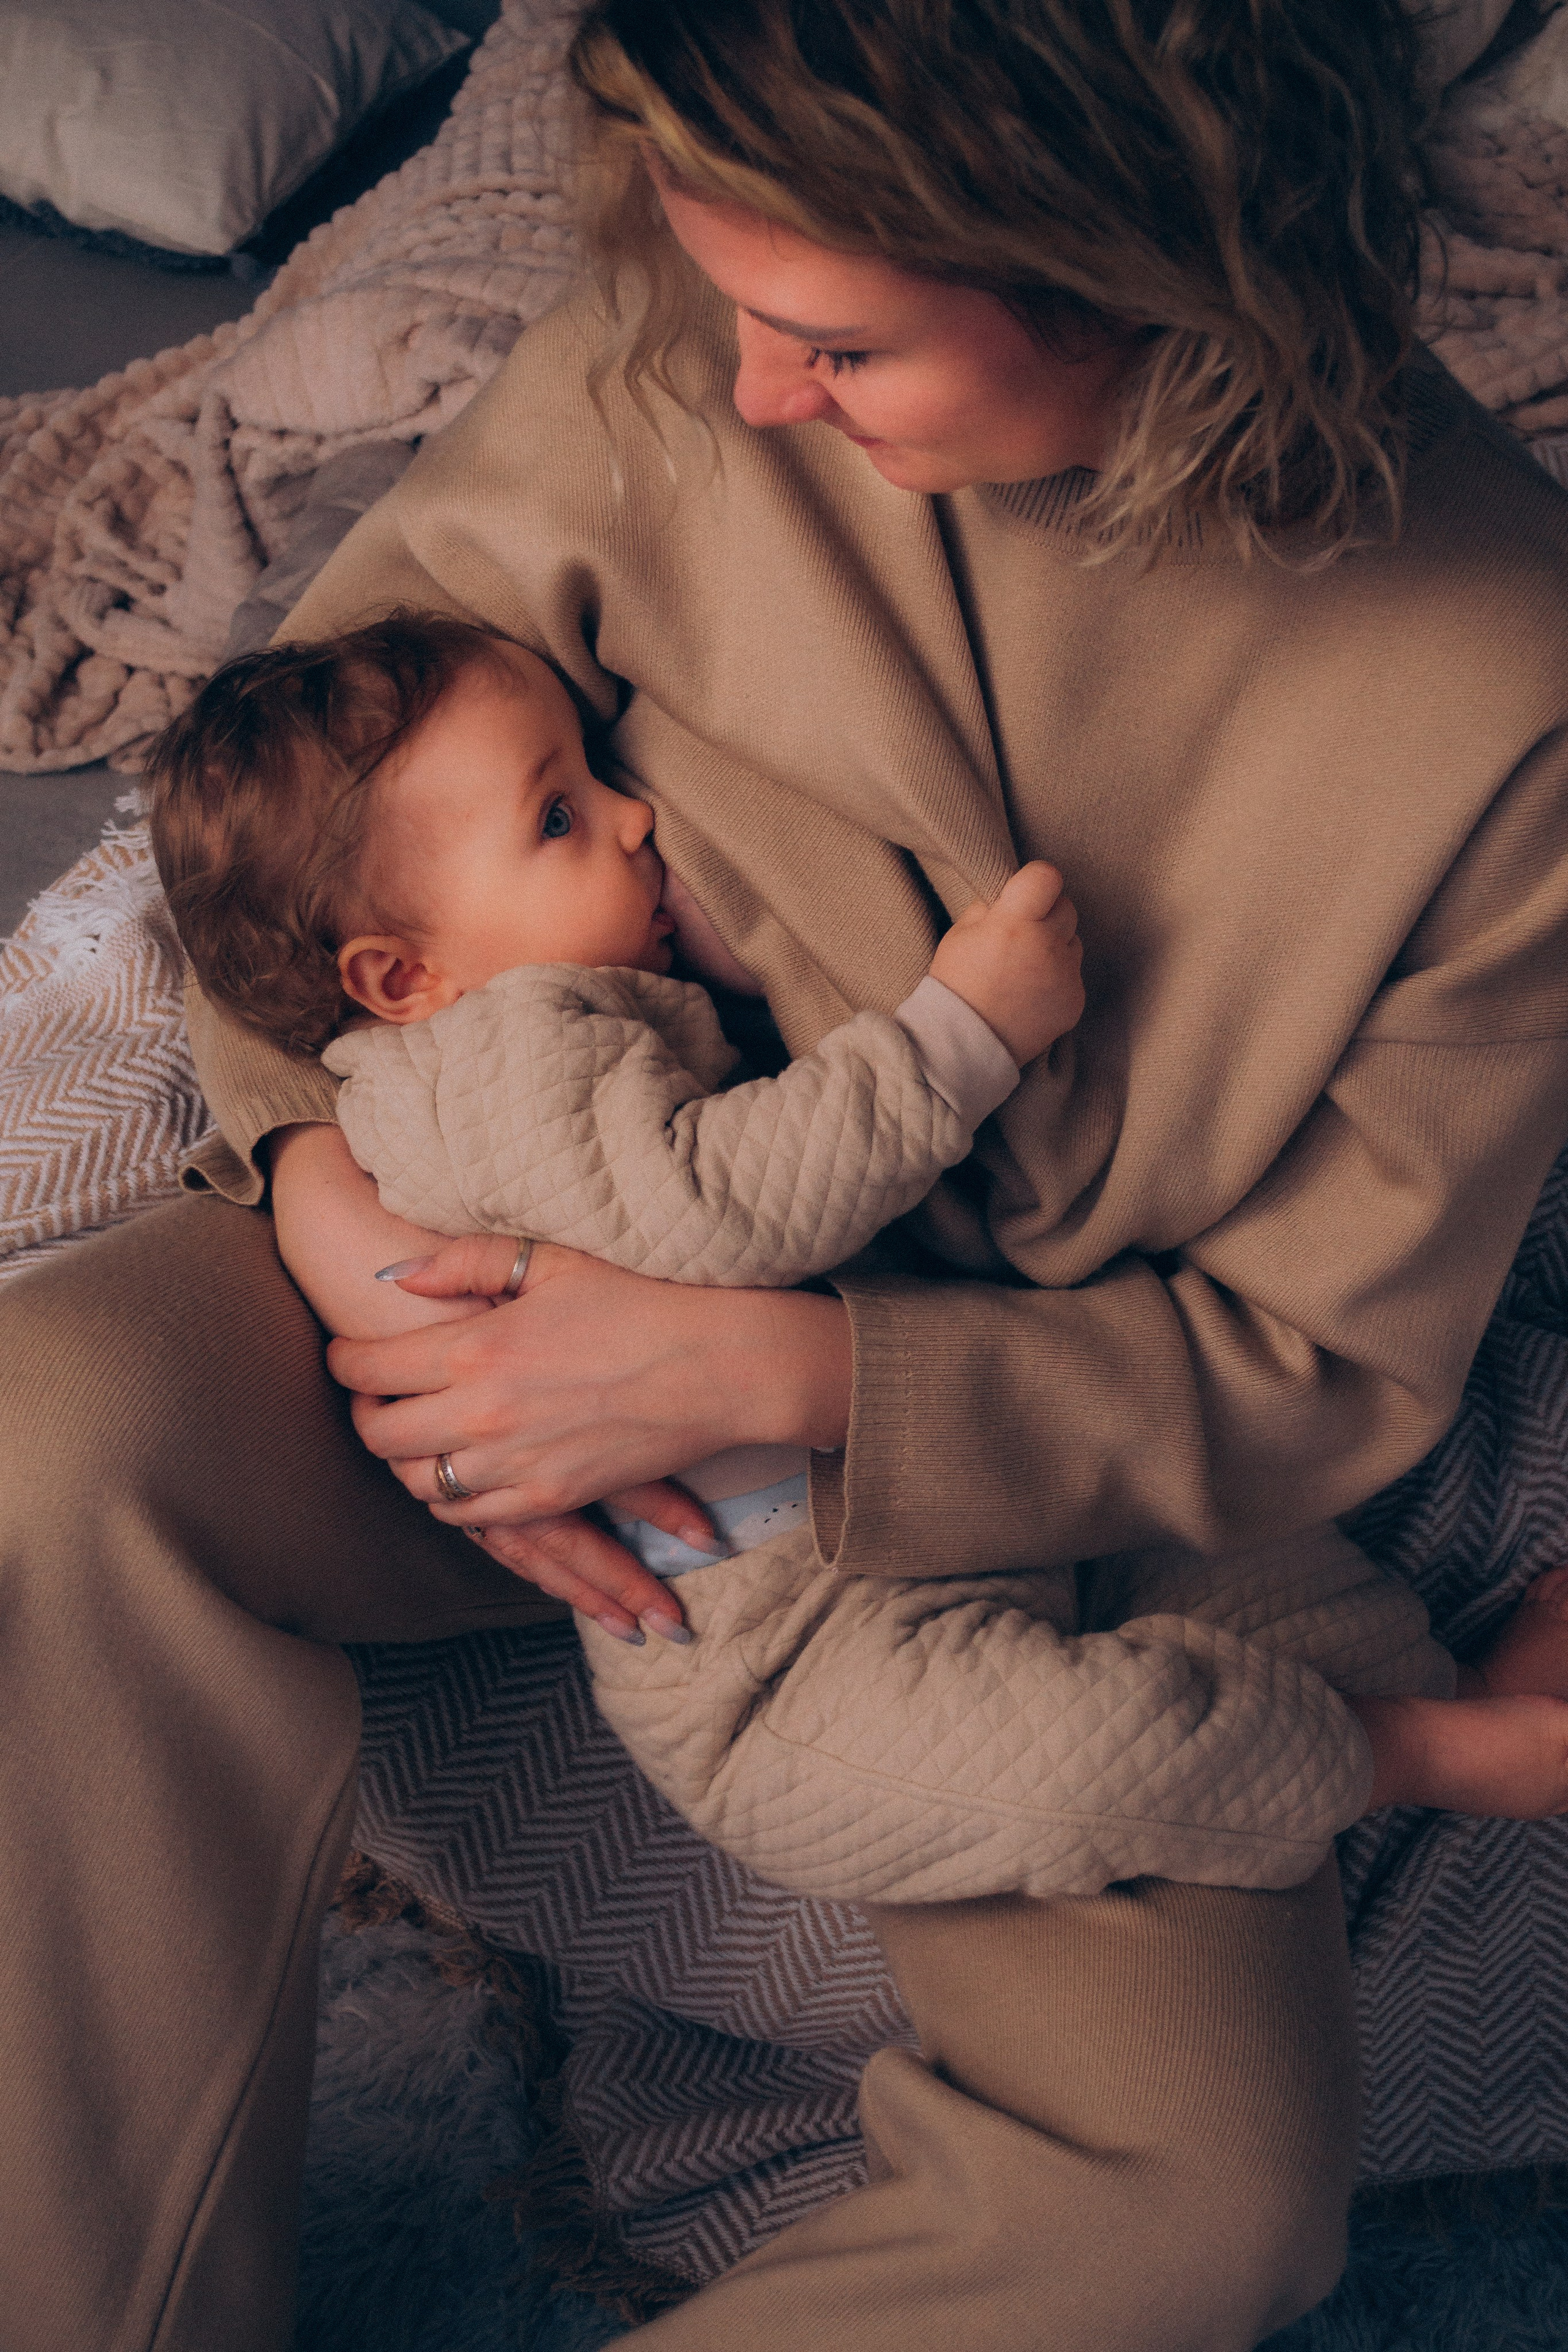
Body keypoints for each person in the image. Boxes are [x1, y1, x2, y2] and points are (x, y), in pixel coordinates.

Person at [5, 2, 1568, 2348]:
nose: (747, 397)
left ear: (1145, 269)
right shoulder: (702, 315)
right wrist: (340, 1214)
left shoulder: (1503, 692)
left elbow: (1317, 1365)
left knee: (1205, 2206)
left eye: (838, 349)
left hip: (1019, 1526)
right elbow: (311, 827)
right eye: (735, 314)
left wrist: (779, 1367)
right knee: (43, 1443)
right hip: (486, 1268)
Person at [150, 611, 1568, 1907]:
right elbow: (718, 1210)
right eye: (562, 815)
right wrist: (960, 1032)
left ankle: (1441, 1711)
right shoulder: (499, 1058)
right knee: (1091, 1759)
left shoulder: (532, 1018)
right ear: (406, 979)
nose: (640, 820)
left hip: (917, 1523)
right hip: (786, 1671)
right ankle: (1425, 1749)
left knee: (1251, 1579)